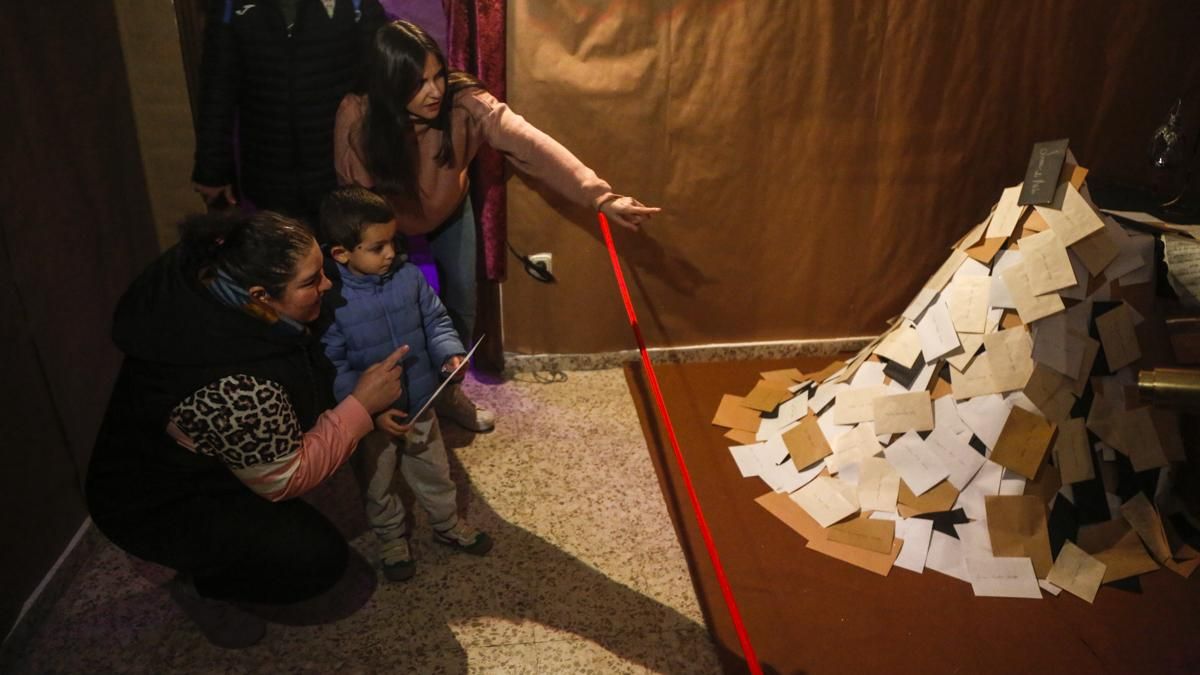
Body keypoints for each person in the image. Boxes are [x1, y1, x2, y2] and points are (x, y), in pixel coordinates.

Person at [85, 210, 408, 648]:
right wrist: (360, 408)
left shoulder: (223, 275)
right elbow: (283, 478)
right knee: (316, 561)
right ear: (261, 296)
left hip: (200, 459)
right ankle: (204, 587)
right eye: (311, 281)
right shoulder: (234, 386)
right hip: (158, 501)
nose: (328, 284)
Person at [333, 19, 661, 432]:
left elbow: (529, 142)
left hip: (448, 209)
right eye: (418, 83)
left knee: (462, 304)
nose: (434, 91)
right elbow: (356, 204)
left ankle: (450, 393)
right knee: (394, 312)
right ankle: (397, 405)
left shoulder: (464, 102)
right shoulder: (359, 114)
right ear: (389, 84)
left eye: (438, 76)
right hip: (384, 223)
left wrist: (599, 196)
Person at [318, 186, 492, 582]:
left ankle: (447, 524)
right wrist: (367, 412)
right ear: (341, 254)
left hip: (420, 402)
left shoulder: (409, 278)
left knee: (435, 471)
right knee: (378, 483)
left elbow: (436, 321)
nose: (391, 253)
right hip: (372, 419)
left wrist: (448, 353)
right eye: (376, 248)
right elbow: (334, 365)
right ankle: (392, 538)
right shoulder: (332, 301)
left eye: (393, 242)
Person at [191, 0, 386, 221]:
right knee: (283, 251)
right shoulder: (230, 6)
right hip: (268, 173)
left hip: (343, 171)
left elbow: (382, 77)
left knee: (350, 248)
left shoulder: (355, 4)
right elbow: (217, 86)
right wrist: (211, 169)